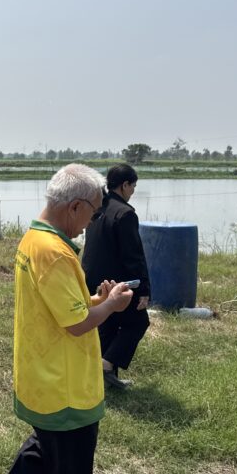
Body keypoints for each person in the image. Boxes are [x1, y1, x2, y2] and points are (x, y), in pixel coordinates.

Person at [0, 164, 133, 474]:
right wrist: (111, 305)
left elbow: (64, 306)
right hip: (64, 384)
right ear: (75, 206)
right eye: (93, 212)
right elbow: (78, 324)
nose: (92, 222)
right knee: (72, 471)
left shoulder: (34, 239)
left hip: (42, 374)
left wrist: (95, 298)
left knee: (47, 448)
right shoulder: (56, 252)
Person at [81, 163, 150, 390]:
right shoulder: (125, 214)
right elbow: (133, 256)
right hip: (115, 284)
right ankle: (106, 364)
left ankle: (103, 377)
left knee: (107, 326)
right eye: (133, 186)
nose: (133, 192)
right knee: (138, 322)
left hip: (92, 280)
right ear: (124, 185)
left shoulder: (98, 208)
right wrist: (143, 290)